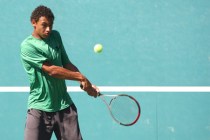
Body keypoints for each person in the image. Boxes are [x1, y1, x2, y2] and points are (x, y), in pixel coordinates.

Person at [20, 5, 98, 140]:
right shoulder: (28, 46)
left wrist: (84, 83)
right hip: (39, 109)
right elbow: (52, 70)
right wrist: (80, 77)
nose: (48, 29)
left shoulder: (55, 36)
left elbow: (66, 63)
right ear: (33, 22)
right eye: (44, 25)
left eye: (50, 25)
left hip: (64, 107)